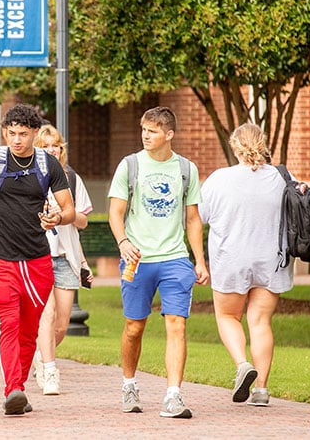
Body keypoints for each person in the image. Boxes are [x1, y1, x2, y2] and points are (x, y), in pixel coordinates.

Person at [0, 104, 74, 416]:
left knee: (29, 330)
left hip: (39, 260)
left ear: (35, 134)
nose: (16, 140)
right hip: (0, 259)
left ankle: (18, 389)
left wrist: (57, 217)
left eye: (23, 134)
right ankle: (12, 388)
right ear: (4, 132)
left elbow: (67, 209)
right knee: (10, 323)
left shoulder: (48, 164)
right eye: (11, 133)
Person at [108, 106, 209, 419]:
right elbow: (116, 212)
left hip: (175, 258)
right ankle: (129, 384)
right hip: (138, 260)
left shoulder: (186, 170)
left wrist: (199, 260)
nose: (145, 136)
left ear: (169, 134)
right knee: (134, 327)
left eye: (152, 131)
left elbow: (192, 218)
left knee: (176, 325)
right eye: (143, 130)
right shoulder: (130, 165)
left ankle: (173, 396)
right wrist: (124, 243)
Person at [199, 123, 291, 407]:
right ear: (263, 144)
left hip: (231, 259)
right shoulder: (281, 178)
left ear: (234, 146)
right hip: (272, 260)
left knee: (228, 317)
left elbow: (199, 217)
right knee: (260, 322)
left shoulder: (219, 179)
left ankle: (242, 365)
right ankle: (261, 390)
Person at [32, 124, 94, 395]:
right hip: (38, 254)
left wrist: (64, 213)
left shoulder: (71, 178)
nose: (51, 149)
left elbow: (83, 222)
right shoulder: (28, 178)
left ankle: (38, 355)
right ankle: (49, 371)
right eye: (45, 145)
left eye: (55, 145)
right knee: (46, 315)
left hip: (66, 256)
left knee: (62, 324)